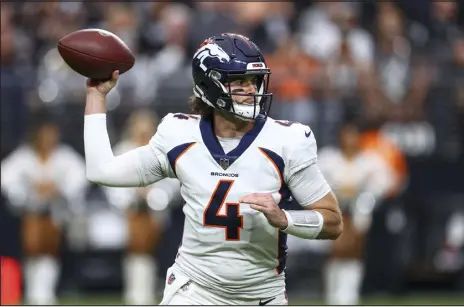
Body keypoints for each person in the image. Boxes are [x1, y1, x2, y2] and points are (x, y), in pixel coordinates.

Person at [83, 33, 342, 305]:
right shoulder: (179, 134)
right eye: (239, 82)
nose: (252, 90)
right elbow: (102, 171)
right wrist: (96, 95)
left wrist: (286, 219)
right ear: (211, 84)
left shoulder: (287, 141)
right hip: (194, 290)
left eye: (254, 81)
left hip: (261, 296)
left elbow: (333, 222)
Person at [1, 112, 88, 305]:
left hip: (56, 216)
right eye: (46, 134)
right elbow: (6, 178)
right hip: (30, 215)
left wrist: (58, 188)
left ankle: (45, 293)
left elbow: (80, 176)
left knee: (50, 254)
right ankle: (34, 292)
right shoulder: (24, 157)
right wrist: (30, 189)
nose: (50, 139)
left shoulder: (64, 156)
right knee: (32, 254)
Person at [102, 109, 181, 305]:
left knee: (149, 250)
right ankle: (134, 293)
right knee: (135, 249)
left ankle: (146, 291)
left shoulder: (161, 152)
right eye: (140, 131)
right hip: (126, 212)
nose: (143, 135)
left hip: (155, 211)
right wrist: (132, 196)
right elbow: (111, 181)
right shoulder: (123, 150)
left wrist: (153, 195)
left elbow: (173, 183)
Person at [317, 121, 396, 305]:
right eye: (346, 135)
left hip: (359, 211)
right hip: (332, 210)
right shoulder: (328, 158)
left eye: (353, 135)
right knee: (335, 253)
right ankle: (333, 294)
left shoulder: (370, 160)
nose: (350, 140)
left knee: (353, 251)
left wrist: (364, 192)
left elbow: (387, 183)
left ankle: (349, 294)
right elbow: (314, 182)